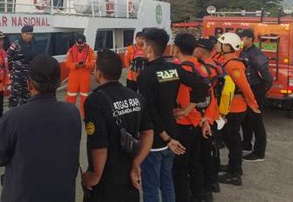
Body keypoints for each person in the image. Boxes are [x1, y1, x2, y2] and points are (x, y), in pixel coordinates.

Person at [0, 55, 81, 202]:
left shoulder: (12, 117)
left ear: (29, 84)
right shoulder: (72, 112)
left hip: (22, 195)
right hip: (62, 194)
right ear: (58, 83)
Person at [137, 29, 209, 202]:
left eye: (143, 44)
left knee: (151, 185)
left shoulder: (146, 75)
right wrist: (186, 110)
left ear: (148, 48)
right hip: (172, 130)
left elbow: (149, 112)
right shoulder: (174, 68)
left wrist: (166, 138)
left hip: (155, 138)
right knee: (167, 181)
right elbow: (202, 86)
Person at [82, 49, 154, 202]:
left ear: (99, 73)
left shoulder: (95, 101)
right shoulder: (136, 97)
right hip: (129, 179)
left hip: (106, 183)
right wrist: (136, 163)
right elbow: (148, 133)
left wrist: (95, 176)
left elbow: (99, 145)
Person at [214, 33, 260, 186]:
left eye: (220, 43)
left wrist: (253, 104)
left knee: (233, 140)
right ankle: (232, 167)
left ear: (227, 47)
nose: (217, 45)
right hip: (229, 106)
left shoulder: (233, 64)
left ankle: (235, 174)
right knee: (230, 139)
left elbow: (244, 87)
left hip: (235, 107)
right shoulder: (226, 60)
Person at [171, 33, 211, 202]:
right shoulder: (201, 66)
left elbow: (184, 98)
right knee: (195, 164)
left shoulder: (181, 69)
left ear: (176, 48)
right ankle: (200, 195)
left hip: (184, 124)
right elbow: (209, 96)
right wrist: (205, 119)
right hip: (199, 122)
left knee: (180, 168)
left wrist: (186, 111)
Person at [193, 38, 224, 200]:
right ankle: (212, 183)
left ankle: (207, 188)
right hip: (212, 113)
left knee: (203, 154)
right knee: (211, 150)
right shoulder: (215, 66)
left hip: (204, 116)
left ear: (200, 50)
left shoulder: (204, 69)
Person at [239, 29, 273, 162]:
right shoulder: (244, 52)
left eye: (242, 38)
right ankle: (246, 145)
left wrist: (262, 91)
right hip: (247, 89)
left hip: (256, 89)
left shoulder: (256, 54)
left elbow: (268, 77)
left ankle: (259, 153)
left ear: (249, 39)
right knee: (246, 119)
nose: (240, 41)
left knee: (256, 121)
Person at [65, 34, 96, 115]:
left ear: (85, 43)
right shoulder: (70, 51)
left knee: (85, 96)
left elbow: (93, 63)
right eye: (78, 45)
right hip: (73, 76)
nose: (80, 47)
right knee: (71, 95)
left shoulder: (90, 51)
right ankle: (69, 113)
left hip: (85, 76)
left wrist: (86, 64)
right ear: (75, 43)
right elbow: (67, 63)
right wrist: (75, 65)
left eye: (82, 45)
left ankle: (85, 114)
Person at [7, 25, 37, 107]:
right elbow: (8, 58)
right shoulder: (15, 45)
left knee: (27, 96)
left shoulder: (33, 44)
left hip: (29, 75)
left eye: (31, 34)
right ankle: (12, 114)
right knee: (15, 96)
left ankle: (25, 112)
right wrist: (13, 69)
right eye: (27, 34)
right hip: (17, 76)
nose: (29, 36)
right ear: (22, 34)